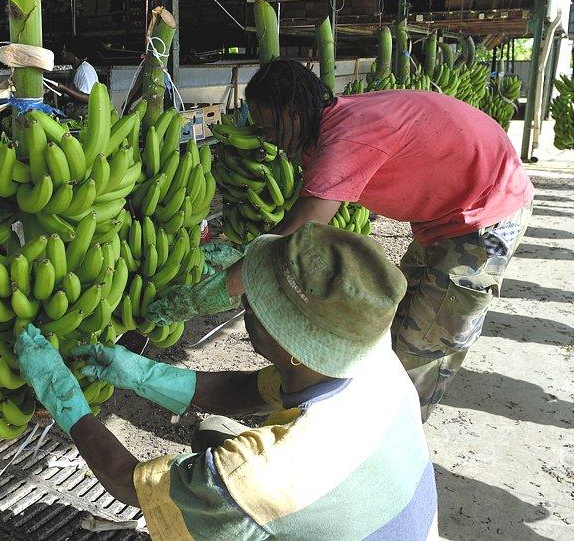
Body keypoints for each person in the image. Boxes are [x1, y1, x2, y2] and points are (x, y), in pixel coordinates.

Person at [151, 59, 534, 421]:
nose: (268, 139)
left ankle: (384, 442)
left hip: (484, 215)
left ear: (293, 113)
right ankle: (352, 415)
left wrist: (213, 292)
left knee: (424, 346)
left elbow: (295, 234)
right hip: (445, 215)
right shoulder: (336, 122)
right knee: (390, 327)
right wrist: (243, 253)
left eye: (269, 127)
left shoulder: (348, 138)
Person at [15, 223, 438, 540]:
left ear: (289, 341)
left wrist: (64, 399)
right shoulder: (373, 367)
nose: (244, 302)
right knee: (214, 439)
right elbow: (247, 391)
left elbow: (130, 482)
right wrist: (143, 374)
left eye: (254, 302)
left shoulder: (263, 475)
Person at [53, 40, 99, 106]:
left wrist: (64, 89)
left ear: (75, 55)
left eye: (66, 51)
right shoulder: (77, 68)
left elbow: (88, 98)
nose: (62, 53)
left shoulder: (85, 71)